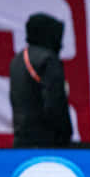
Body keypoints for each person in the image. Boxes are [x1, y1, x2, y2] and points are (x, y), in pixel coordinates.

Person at [9, 13, 73, 148]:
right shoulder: (48, 59)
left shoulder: (17, 60)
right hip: (47, 143)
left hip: (21, 140)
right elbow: (55, 102)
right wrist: (65, 135)